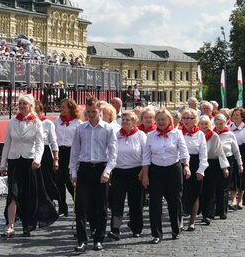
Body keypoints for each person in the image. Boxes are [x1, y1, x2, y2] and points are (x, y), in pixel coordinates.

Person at [0, 94, 57, 238]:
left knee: (27, 195)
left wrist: (37, 159)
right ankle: (10, 225)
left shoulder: (36, 122)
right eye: (20, 103)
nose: (22, 106)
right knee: (13, 193)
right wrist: (2, 164)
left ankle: (27, 225)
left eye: (25, 103)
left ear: (30, 106)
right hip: (14, 161)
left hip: (30, 162)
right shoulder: (12, 122)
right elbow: (7, 143)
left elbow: (40, 144)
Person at [70, 96, 117, 253]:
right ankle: (82, 240)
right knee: (81, 207)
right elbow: (75, 151)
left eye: (93, 111)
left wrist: (108, 171)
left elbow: (113, 153)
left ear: (100, 110)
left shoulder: (108, 129)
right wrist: (73, 171)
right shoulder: (80, 129)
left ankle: (98, 239)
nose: (90, 114)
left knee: (101, 206)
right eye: (88, 111)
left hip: (101, 168)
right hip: (84, 168)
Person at [142, 107, 189, 244]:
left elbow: (184, 153)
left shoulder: (177, 134)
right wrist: (145, 175)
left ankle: (175, 229)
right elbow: (146, 158)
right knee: (155, 203)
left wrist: (186, 166)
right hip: (156, 171)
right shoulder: (150, 136)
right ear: (155, 121)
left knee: (174, 201)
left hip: (173, 170)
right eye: (158, 120)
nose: (161, 122)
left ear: (169, 120)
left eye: (163, 119)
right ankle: (156, 233)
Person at [109, 110, 146, 240]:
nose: (124, 122)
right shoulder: (115, 135)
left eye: (128, 120)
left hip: (136, 171)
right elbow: (110, 151)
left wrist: (144, 170)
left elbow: (145, 154)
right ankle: (115, 229)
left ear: (134, 122)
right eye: (123, 120)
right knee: (117, 202)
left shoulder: (141, 135)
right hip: (119, 171)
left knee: (135, 202)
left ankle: (136, 228)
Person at [179, 108, 207, 232]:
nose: (186, 121)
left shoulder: (200, 134)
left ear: (195, 120)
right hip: (180, 164)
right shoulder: (177, 132)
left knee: (195, 193)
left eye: (189, 118)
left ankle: (192, 221)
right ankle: (180, 221)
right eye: (184, 118)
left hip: (195, 164)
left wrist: (201, 170)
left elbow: (203, 154)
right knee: (180, 193)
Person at [198, 115, 229, 225]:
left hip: (212, 164)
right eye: (202, 124)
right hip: (199, 163)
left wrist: (224, 167)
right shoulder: (197, 135)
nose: (204, 126)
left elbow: (220, 152)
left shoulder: (214, 136)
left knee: (210, 190)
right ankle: (200, 211)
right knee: (201, 191)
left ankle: (208, 214)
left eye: (206, 124)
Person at [54, 99, 79, 216]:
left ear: (70, 108)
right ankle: (62, 207)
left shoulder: (77, 123)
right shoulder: (57, 121)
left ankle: (77, 204)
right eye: (61, 107)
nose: (62, 109)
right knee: (59, 181)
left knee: (70, 181)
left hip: (71, 152)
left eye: (64, 107)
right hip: (59, 151)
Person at [214, 113, 242, 217]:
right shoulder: (212, 133)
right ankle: (214, 209)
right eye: (217, 124)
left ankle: (222, 211)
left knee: (224, 186)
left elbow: (236, 151)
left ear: (225, 123)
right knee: (215, 187)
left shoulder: (230, 134)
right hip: (214, 161)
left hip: (228, 160)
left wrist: (240, 164)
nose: (219, 126)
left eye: (221, 123)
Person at [35, 99, 60, 213]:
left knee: (46, 181)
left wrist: (56, 159)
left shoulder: (48, 123)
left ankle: (49, 204)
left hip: (45, 153)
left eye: (37, 110)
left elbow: (53, 142)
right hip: (31, 153)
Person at [229, 107, 245, 208]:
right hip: (232, 153)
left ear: (242, 117)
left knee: (243, 176)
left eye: (237, 115)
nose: (235, 117)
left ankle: (241, 200)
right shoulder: (229, 127)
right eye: (234, 115)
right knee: (233, 176)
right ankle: (233, 200)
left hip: (243, 152)